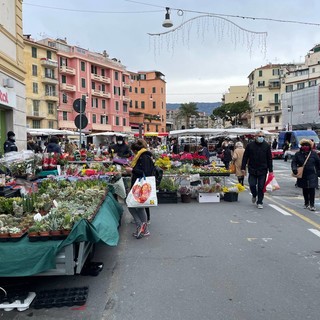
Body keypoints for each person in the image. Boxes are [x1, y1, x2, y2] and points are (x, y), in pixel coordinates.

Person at [125, 139, 155, 239]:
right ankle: (144, 229)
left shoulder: (144, 157)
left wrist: (132, 170)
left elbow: (145, 172)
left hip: (141, 186)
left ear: (135, 150)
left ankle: (140, 225)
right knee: (139, 207)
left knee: (131, 204)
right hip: (140, 185)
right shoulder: (143, 156)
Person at [241, 131, 273, 209]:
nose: (261, 138)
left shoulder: (266, 146)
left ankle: (260, 202)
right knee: (252, 184)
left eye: (262, 136)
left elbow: (269, 158)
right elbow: (245, 157)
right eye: (259, 136)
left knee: (261, 186)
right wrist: (243, 167)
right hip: (252, 169)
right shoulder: (250, 145)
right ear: (255, 137)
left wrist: (271, 170)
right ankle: (254, 195)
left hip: (263, 169)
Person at [291, 139, 320, 211]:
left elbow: (318, 163)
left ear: (310, 146)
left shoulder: (314, 154)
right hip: (302, 174)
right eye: (304, 145)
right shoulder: (298, 154)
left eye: (307, 145)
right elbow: (294, 162)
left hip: (312, 174)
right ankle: (306, 202)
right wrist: (294, 169)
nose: (305, 147)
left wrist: (318, 173)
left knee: (312, 188)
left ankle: (312, 204)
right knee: (305, 188)